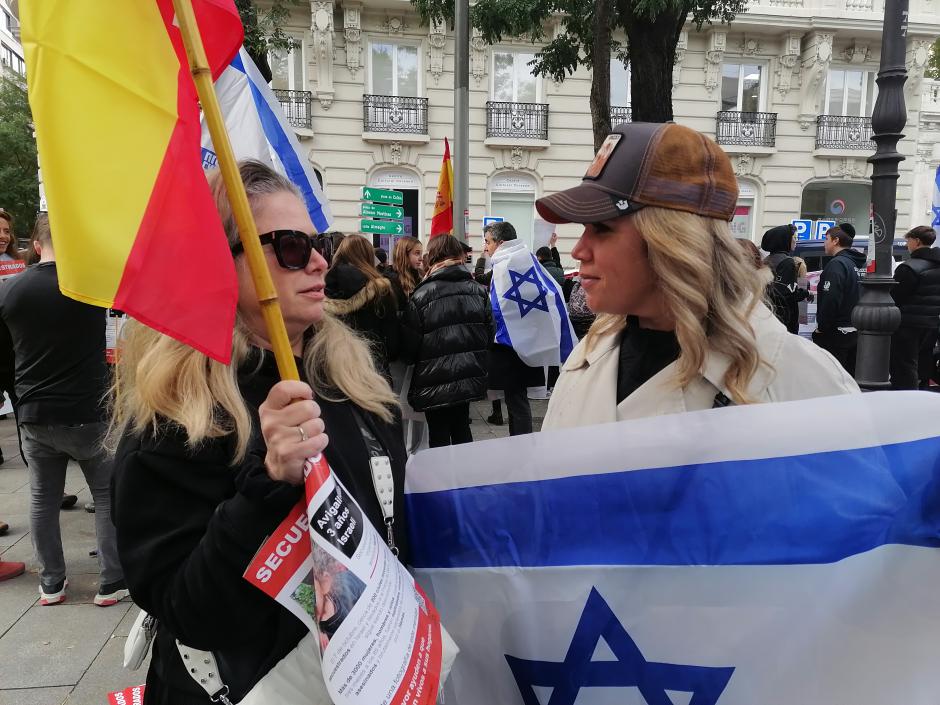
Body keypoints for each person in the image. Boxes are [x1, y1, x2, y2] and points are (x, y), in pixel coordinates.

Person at [110, 161, 409, 705]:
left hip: (367, 672)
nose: (320, 261)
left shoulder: (351, 377)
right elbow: (185, 608)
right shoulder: (182, 413)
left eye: (316, 241)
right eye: (291, 246)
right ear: (217, 261)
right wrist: (268, 482)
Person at [532, 122, 859, 430]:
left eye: (601, 228)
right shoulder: (589, 353)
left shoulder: (805, 382)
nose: (578, 250)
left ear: (672, 242)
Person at [0, 214, 124, 606]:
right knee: (105, 496)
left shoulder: (10, 289)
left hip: (35, 410)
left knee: (41, 497)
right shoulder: (93, 288)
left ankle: (51, 583)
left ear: (36, 245)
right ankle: (111, 581)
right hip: (90, 407)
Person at [404, 235, 491, 447]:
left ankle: (442, 480)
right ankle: (467, 479)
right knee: (462, 427)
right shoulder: (478, 291)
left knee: (438, 434)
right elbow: (489, 333)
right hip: (469, 373)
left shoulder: (421, 294)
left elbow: (410, 347)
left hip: (433, 377)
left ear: (432, 256)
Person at [482, 221, 547, 435]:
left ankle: (521, 449)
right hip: (525, 340)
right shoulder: (524, 261)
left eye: (488, 242)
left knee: (516, 401)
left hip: (510, 346)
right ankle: (519, 445)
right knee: (516, 400)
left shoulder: (504, 266)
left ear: (500, 243)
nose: (486, 247)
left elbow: (498, 309)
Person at [324, 234, 401, 380]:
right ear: (367, 256)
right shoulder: (381, 289)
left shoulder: (323, 288)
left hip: (335, 372)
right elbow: (392, 343)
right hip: (373, 370)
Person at [889, 225, 940, 389]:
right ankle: (922, 397)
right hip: (932, 323)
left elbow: (895, 296)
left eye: (908, 240)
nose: (907, 245)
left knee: (905, 366)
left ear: (917, 241)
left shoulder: (909, 267)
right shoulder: (936, 265)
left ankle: (906, 401)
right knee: (923, 365)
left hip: (908, 324)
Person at [813, 223, 865, 376]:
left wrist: (822, 326)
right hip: (855, 329)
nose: (824, 243)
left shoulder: (837, 264)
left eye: (826, 238)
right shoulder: (856, 264)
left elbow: (831, 298)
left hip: (837, 332)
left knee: (833, 376)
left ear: (835, 241)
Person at [760, 224, 806, 334]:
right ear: (784, 240)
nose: (795, 241)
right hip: (784, 320)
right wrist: (804, 293)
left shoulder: (767, 260)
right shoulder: (787, 262)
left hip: (768, 316)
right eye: (794, 238)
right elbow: (786, 293)